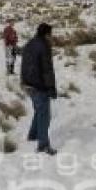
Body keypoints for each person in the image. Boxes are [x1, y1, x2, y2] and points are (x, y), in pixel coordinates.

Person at [21, 23, 58, 155]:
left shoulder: (29, 43)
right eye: (50, 34)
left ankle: (33, 135)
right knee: (44, 115)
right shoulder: (44, 46)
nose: (51, 37)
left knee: (38, 110)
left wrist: (24, 81)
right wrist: (51, 88)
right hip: (39, 85)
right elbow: (47, 70)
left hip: (27, 84)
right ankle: (43, 145)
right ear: (47, 34)